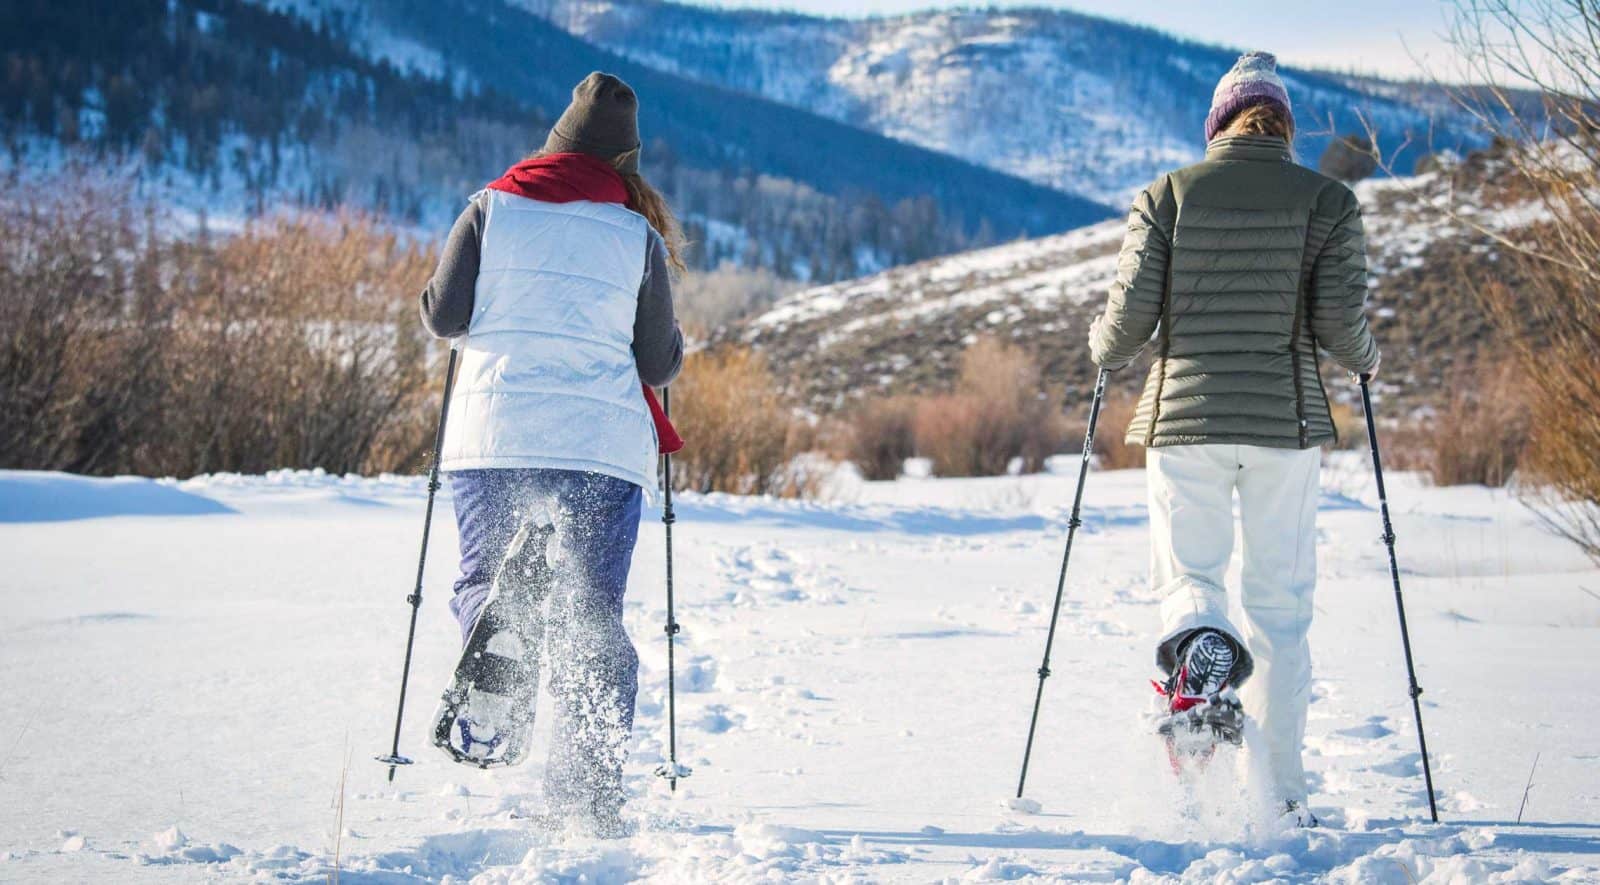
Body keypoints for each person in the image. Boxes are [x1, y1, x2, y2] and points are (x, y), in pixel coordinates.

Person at [1087, 51, 1380, 827]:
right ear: (1283, 125)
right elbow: (1343, 335)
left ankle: (1202, 658)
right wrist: (1370, 357)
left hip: (1185, 425)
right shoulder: (1330, 201)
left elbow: (1122, 332)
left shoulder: (1166, 196)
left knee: (1191, 575)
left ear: (1218, 124)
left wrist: (1097, 344)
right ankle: (1283, 798)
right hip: (1284, 427)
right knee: (1283, 612)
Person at [418, 71, 686, 836]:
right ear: (624, 164)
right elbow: (657, 363)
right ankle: (587, 793)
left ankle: (504, 627)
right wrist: (675, 345)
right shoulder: (638, 238)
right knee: (595, 620)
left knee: (482, 579)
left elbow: (445, 316)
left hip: (495, 435)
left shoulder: (489, 208)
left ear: (555, 142)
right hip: (599, 449)